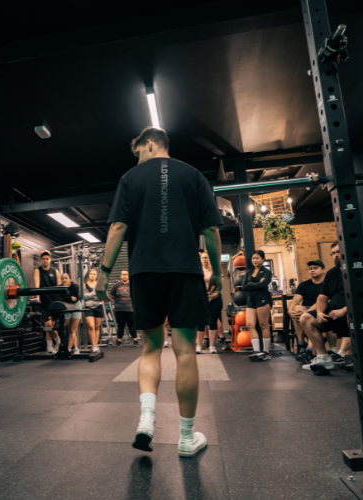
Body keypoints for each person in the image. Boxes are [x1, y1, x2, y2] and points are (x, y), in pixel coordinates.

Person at [97, 126, 222, 458]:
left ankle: (147, 420)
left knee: (150, 348)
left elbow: (118, 227)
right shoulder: (194, 175)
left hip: (144, 271)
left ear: (149, 143)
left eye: (138, 151)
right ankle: (185, 438)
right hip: (185, 269)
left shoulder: (130, 179)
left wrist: (103, 273)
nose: (137, 158)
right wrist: (218, 273)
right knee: (184, 351)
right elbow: (210, 229)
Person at [300, 242, 348, 371]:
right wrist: (320, 312)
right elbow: (322, 297)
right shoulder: (332, 273)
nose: (336, 255)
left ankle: (341, 353)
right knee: (305, 318)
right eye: (333, 253)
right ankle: (324, 358)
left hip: (349, 314)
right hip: (331, 315)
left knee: (352, 317)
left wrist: (344, 311)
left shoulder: (359, 269)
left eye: (338, 251)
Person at [289, 260, 326, 361]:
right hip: (306, 310)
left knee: (307, 316)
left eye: (315, 268)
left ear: (323, 270)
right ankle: (301, 343)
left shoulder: (327, 284)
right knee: (296, 308)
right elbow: (296, 299)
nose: (312, 270)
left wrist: (307, 313)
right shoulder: (304, 285)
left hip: (320, 310)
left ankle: (309, 350)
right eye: (310, 269)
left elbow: (322, 301)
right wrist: (290, 310)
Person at [241, 250, 273, 361]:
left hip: (263, 298)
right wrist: (256, 284)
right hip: (251, 300)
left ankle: (266, 352)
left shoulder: (266, 271)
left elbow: (264, 284)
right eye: (253, 258)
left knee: (263, 325)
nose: (255, 260)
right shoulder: (249, 272)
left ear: (263, 260)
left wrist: (251, 284)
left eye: (257, 258)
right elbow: (244, 286)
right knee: (250, 324)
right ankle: (257, 351)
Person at [33, 250, 62, 354]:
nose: (45, 260)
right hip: (44, 303)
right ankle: (58, 341)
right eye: (43, 259)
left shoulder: (55, 272)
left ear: (50, 260)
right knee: (47, 325)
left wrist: (60, 301)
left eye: (47, 259)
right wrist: (37, 297)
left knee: (52, 326)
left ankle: (49, 348)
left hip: (54, 302)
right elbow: (36, 285)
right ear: (41, 260)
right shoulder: (38, 270)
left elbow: (59, 287)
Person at [196, 252, 222, 354]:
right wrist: (204, 297)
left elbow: (219, 287)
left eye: (206, 258)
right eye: (203, 258)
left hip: (215, 299)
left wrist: (211, 296)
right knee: (200, 323)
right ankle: (199, 346)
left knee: (213, 322)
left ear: (209, 259)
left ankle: (212, 346)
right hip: (201, 300)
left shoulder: (215, 271)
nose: (205, 259)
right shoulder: (198, 271)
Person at [110, 270, 138, 346]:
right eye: (123, 274)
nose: (124, 276)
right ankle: (118, 341)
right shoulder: (116, 285)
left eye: (126, 274)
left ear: (128, 275)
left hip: (130, 309)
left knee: (131, 325)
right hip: (119, 309)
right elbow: (112, 295)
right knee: (120, 325)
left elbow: (136, 294)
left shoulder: (132, 284)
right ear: (121, 275)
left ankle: (135, 341)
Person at [82, 268, 104, 354]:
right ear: (88, 275)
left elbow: (101, 296)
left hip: (99, 306)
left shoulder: (99, 284)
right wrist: (95, 295)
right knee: (91, 326)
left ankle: (95, 345)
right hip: (88, 307)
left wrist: (89, 295)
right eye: (91, 274)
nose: (92, 275)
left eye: (94, 274)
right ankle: (93, 345)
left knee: (97, 326)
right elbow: (84, 297)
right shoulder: (84, 285)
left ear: (96, 276)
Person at [60, 272, 82, 354]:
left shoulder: (75, 286)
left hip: (76, 306)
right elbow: (59, 298)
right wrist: (69, 297)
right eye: (63, 278)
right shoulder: (60, 287)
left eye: (66, 278)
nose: (64, 280)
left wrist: (65, 298)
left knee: (73, 329)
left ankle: (76, 348)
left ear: (70, 279)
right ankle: (69, 349)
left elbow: (75, 299)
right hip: (66, 307)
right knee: (70, 330)